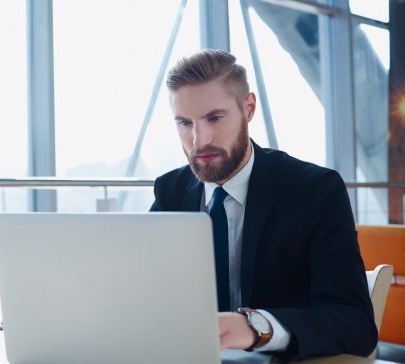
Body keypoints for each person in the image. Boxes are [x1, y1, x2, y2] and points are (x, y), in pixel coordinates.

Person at [150, 49, 377, 360]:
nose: (199, 141)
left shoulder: (314, 190)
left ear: (249, 107)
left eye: (214, 118)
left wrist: (256, 327)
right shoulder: (169, 191)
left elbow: (356, 324)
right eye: (185, 123)